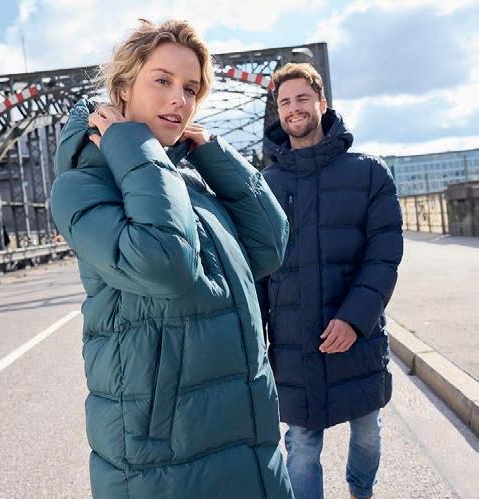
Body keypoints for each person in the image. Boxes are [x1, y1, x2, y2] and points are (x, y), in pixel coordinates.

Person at [50, 19, 294, 499]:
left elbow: (268, 245)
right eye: (162, 80)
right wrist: (132, 146)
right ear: (123, 87)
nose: (179, 99)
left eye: (190, 88)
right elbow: (165, 264)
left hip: (247, 435)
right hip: (166, 458)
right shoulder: (82, 186)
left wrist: (214, 155)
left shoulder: (186, 182)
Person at [257, 63, 404, 499]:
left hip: (357, 333)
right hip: (294, 341)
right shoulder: (265, 184)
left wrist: (354, 320)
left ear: (322, 103)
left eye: (302, 98)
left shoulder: (369, 173)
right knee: (301, 444)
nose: (293, 108)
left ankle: (361, 490)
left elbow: (384, 256)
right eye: (285, 102)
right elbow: (258, 269)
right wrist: (255, 337)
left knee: (368, 430)